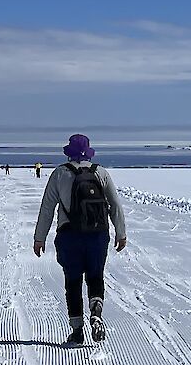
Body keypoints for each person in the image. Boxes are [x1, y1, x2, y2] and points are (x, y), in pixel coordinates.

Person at [33, 134, 128, 346]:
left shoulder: (59, 174)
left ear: (69, 152)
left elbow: (47, 208)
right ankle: (96, 307)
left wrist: (39, 238)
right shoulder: (100, 173)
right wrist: (120, 233)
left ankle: (77, 331)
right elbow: (115, 205)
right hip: (98, 236)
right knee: (95, 276)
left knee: (73, 282)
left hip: (69, 236)